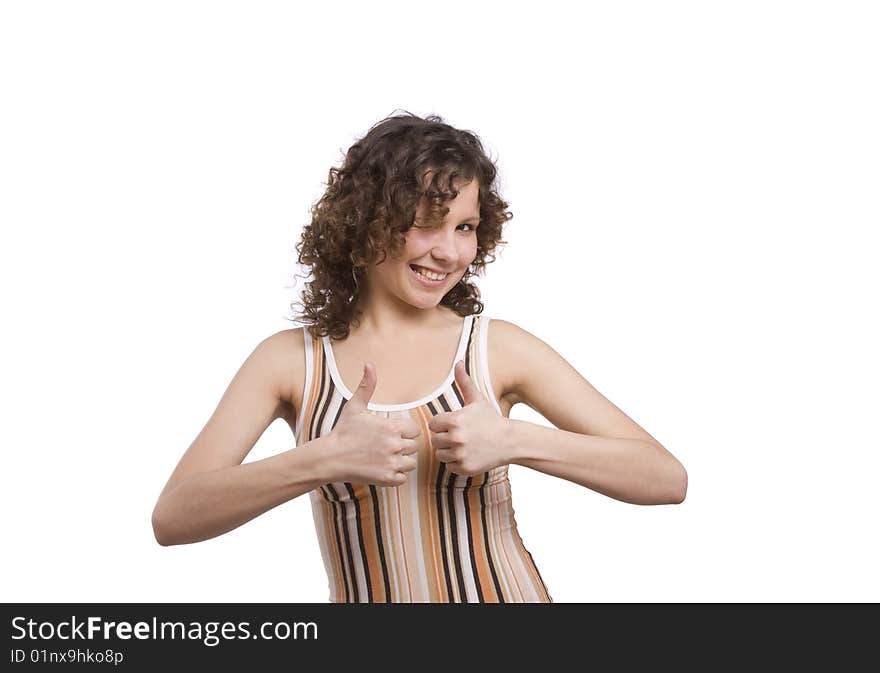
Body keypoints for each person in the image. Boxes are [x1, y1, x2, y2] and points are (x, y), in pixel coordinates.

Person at [151, 111, 688, 603]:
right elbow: (173, 517)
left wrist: (516, 441)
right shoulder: (290, 361)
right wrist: (322, 459)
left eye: (465, 227)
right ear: (366, 221)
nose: (449, 252)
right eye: (425, 224)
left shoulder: (495, 348)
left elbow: (665, 477)